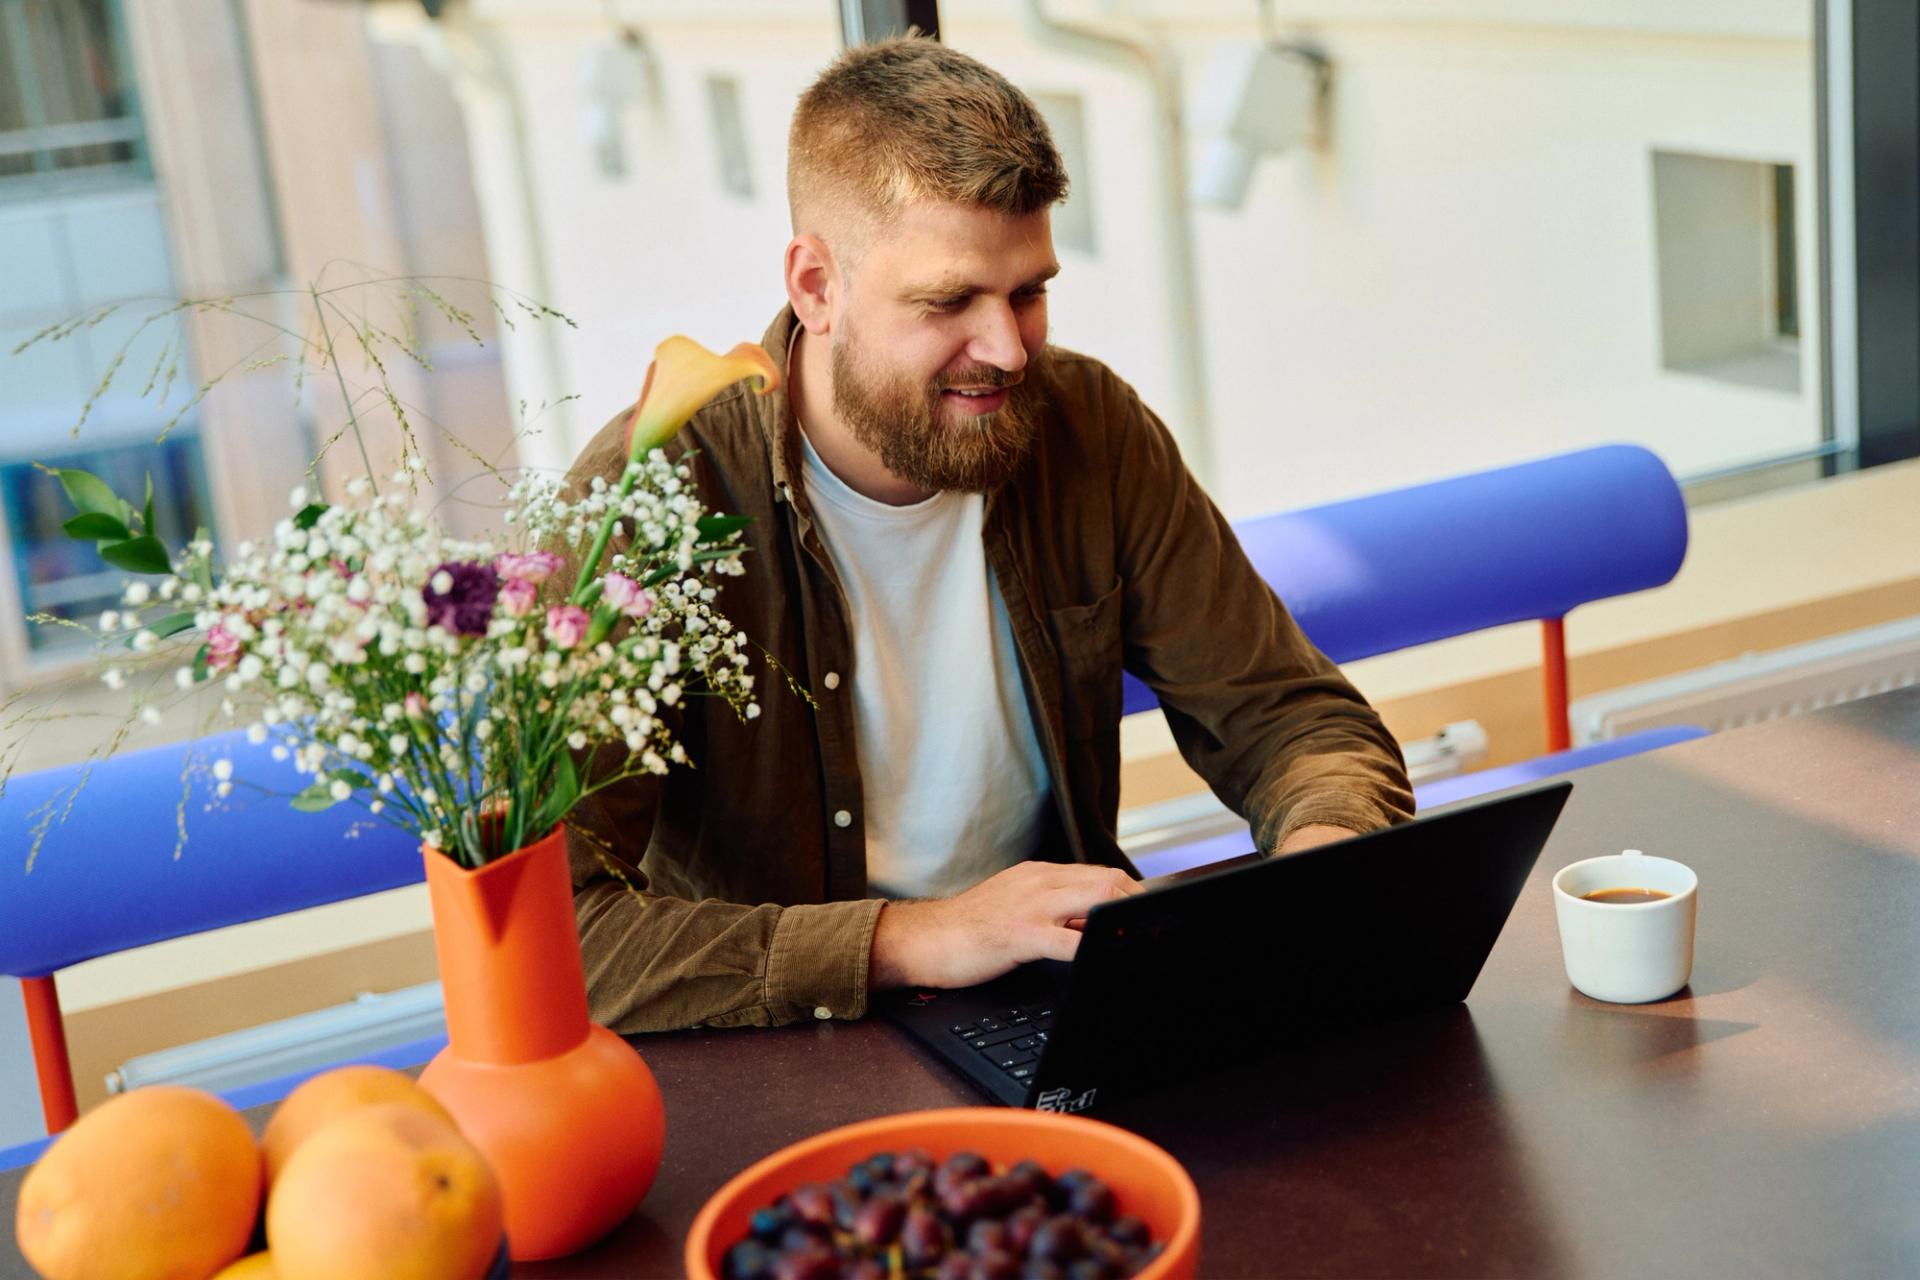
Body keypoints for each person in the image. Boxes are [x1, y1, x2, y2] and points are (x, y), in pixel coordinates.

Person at [563, 36, 1413, 1033]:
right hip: (783, 1038)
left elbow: (1292, 720)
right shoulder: (652, 495)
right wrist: (912, 937)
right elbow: (559, 940)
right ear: (816, 286)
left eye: (1029, 292)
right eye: (949, 301)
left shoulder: (1089, 426)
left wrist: (1319, 868)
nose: (1008, 349)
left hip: (1056, 1000)